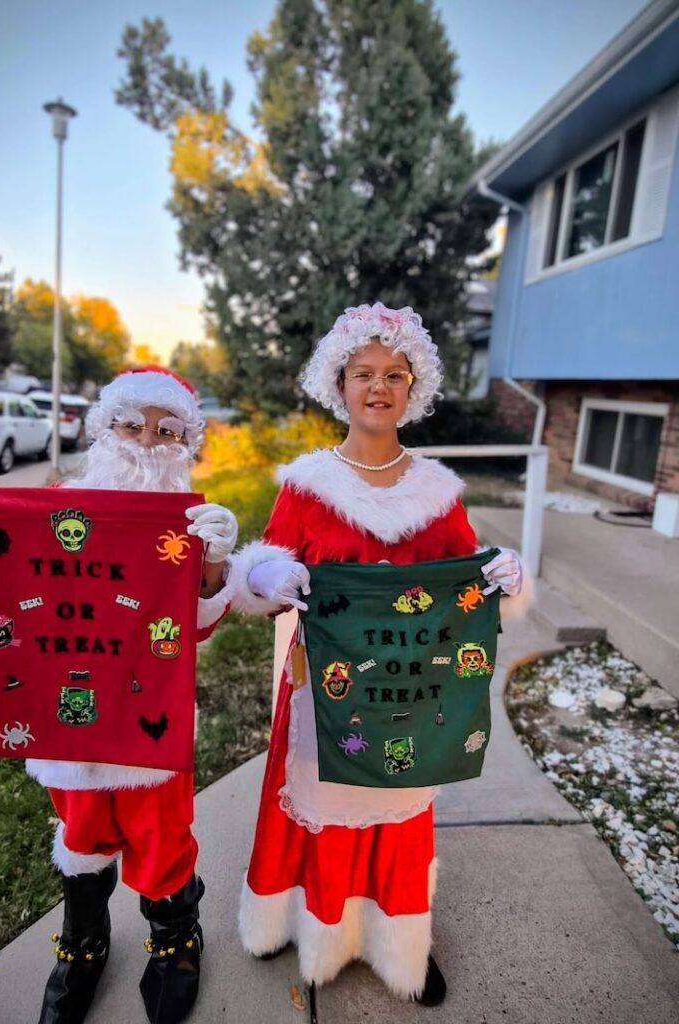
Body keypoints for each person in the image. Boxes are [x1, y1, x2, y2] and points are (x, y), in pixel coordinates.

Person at [0, 367, 239, 1024]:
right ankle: (83, 943)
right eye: (131, 424)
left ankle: (176, 936)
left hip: (149, 713)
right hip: (68, 718)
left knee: (161, 834)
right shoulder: (56, 503)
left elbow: (198, 623)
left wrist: (212, 561)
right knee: (82, 832)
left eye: (167, 430)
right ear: (103, 428)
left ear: (186, 442)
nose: (147, 439)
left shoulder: (186, 522)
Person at [229, 303, 531, 1007]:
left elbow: (467, 579)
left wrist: (503, 574)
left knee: (397, 806)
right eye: (363, 373)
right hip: (325, 687)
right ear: (339, 383)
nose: (378, 386)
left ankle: (399, 943)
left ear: (412, 387)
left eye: (395, 374)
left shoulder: (436, 492)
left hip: (409, 690)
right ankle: (313, 930)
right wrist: (266, 576)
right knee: (324, 800)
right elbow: (263, 568)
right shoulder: (307, 485)